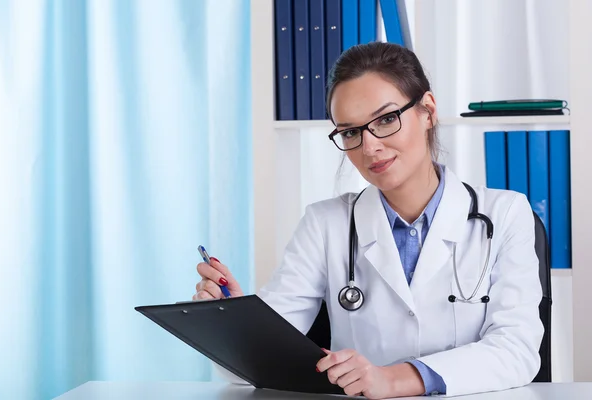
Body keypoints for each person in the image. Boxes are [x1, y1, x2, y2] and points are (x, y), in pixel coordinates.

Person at [193, 42, 543, 399]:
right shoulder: (324, 224)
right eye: (350, 132)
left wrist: (392, 379)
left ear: (428, 111)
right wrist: (234, 323)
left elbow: (516, 350)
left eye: (387, 119)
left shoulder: (505, 214)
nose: (369, 146)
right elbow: (250, 367)